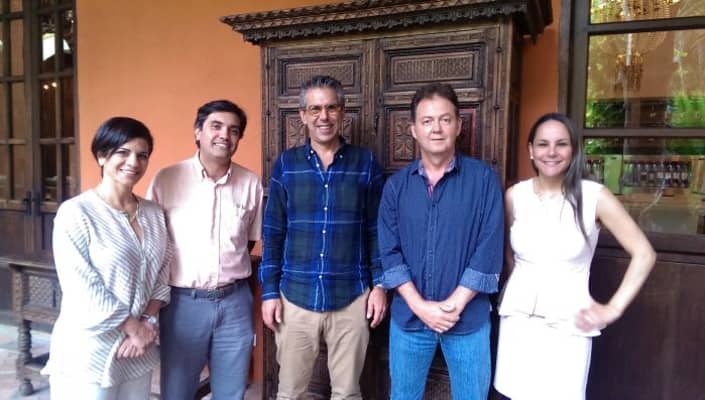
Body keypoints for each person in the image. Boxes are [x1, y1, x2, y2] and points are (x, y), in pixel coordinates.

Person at [493, 112, 656, 400]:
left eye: (561, 144)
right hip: (518, 320)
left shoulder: (595, 197)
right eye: (543, 144)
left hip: (569, 324)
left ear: (574, 150)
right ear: (531, 150)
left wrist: (613, 309)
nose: (551, 152)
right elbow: (510, 260)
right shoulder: (515, 196)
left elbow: (644, 253)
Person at [260, 75, 386, 400]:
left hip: (352, 297)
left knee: (347, 393)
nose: (324, 116)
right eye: (315, 109)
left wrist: (380, 285)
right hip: (295, 296)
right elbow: (273, 232)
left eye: (331, 107)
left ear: (342, 112)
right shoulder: (287, 164)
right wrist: (269, 292)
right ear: (303, 115)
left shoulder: (365, 163)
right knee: (290, 392)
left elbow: (376, 230)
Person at [378, 82, 504, 400]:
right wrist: (420, 307)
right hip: (410, 318)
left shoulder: (484, 180)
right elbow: (389, 252)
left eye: (445, 119)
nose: (436, 129)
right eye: (427, 121)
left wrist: (452, 307)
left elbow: (489, 247)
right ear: (413, 130)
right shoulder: (396, 187)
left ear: (458, 126)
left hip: (467, 318)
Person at [44, 117, 171, 399]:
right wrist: (133, 328)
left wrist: (147, 323)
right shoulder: (76, 213)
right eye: (123, 152)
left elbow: (163, 273)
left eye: (142, 155)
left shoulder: (153, 213)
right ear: (102, 156)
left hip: (137, 350)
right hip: (89, 351)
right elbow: (81, 286)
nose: (133, 162)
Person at [147, 100, 263, 399]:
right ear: (198, 132)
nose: (225, 135)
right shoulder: (167, 179)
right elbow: (153, 242)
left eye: (233, 130)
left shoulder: (250, 183)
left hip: (235, 302)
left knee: (231, 391)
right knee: (178, 390)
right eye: (216, 126)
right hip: (182, 303)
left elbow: (247, 242)